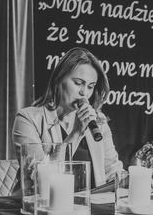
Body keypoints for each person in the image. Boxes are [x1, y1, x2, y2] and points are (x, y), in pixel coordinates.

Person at [12, 47, 123, 188]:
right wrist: (76, 133)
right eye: (78, 83)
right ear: (58, 79)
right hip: (44, 201)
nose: (84, 93)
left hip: (90, 201)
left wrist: (130, 179)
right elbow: (39, 180)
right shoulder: (28, 119)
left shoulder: (98, 121)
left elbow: (112, 170)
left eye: (90, 86)